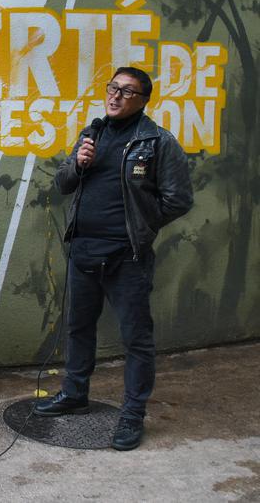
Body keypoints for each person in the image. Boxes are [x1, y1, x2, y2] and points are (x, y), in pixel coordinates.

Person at [36, 67, 193, 451]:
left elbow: (178, 199)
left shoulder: (157, 142)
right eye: (112, 88)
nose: (116, 96)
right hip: (84, 251)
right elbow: (62, 183)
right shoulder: (93, 134)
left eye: (126, 91)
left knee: (136, 339)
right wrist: (79, 163)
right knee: (78, 328)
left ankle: (132, 414)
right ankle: (75, 393)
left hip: (127, 257)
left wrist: (137, 226)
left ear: (142, 101)